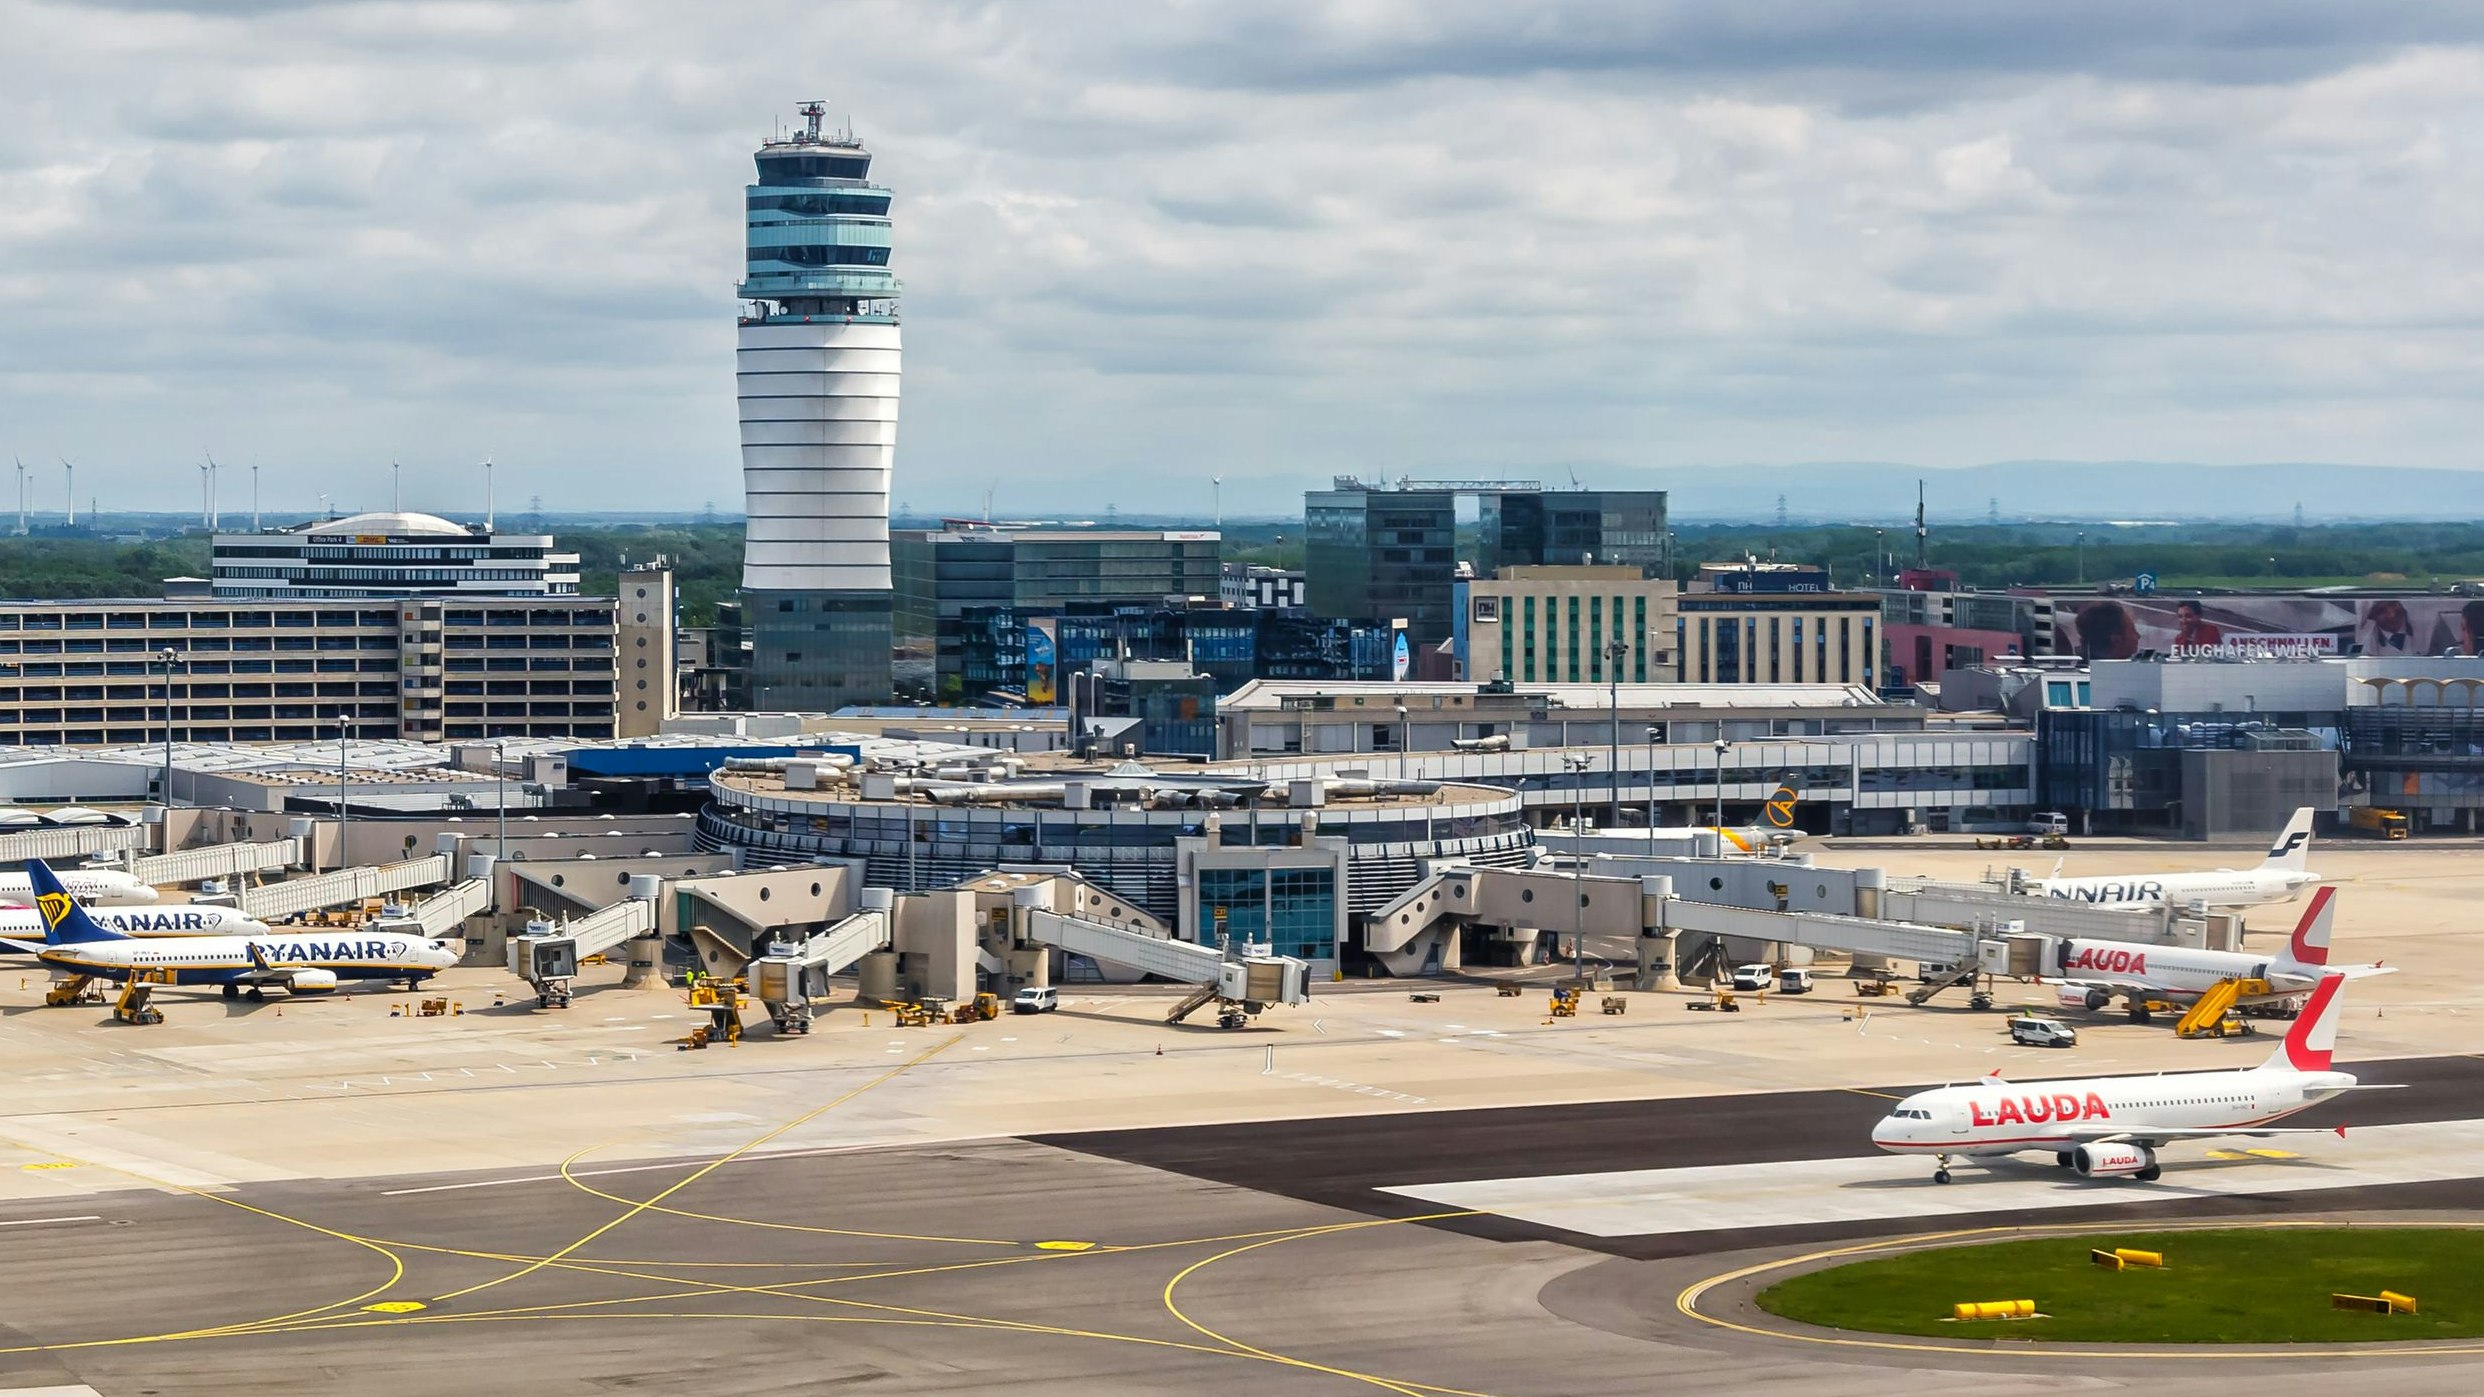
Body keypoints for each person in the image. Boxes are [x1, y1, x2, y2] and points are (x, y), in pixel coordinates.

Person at [2071, 600, 2139, 660]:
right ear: (2116, 640)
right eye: (2133, 631)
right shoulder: (2115, 673)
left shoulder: (2089, 669)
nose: (2138, 636)